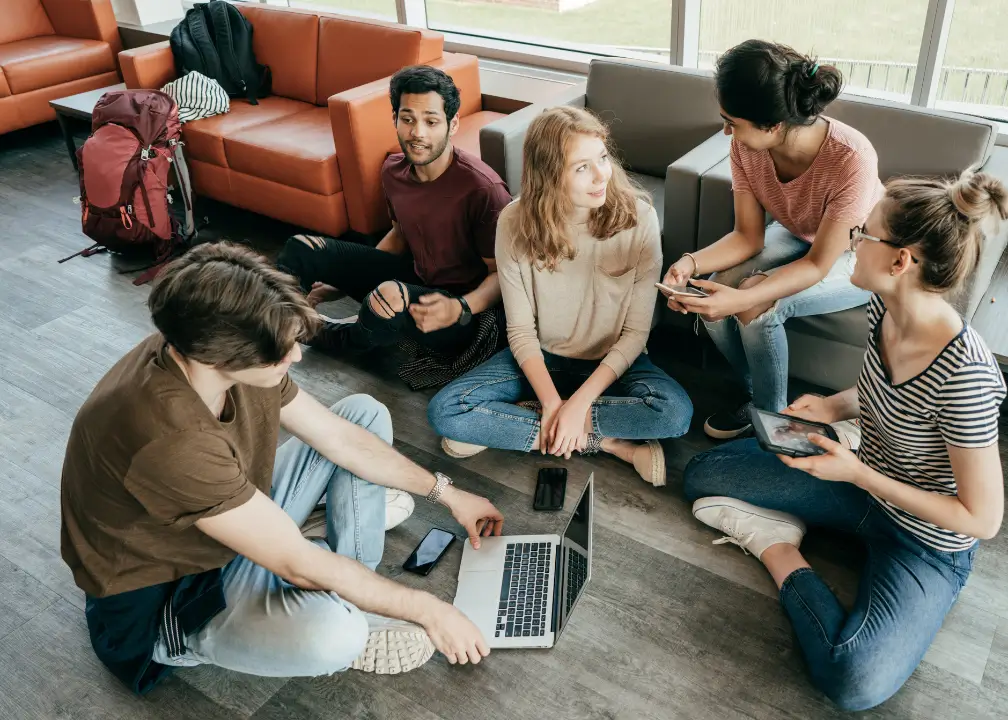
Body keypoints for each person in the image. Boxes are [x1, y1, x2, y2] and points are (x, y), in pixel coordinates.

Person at [61, 243, 506, 695]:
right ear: (223, 357)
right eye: (283, 352)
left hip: (216, 524)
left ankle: (342, 574)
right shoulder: (168, 438)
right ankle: (200, 636)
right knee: (337, 636)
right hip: (172, 596)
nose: (296, 357)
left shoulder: (208, 338)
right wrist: (428, 609)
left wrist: (448, 494)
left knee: (363, 415)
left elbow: (339, 437)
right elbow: (295, 565)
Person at [682, 171, 1008, 711]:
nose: (852, 240)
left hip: (924, 541)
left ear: (900, 261)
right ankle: (797, 518)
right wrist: (834, 406)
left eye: (865, 233)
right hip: (860, 483)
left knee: (853, 679)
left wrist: (857, 473)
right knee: (702, 475)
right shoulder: (885, 305)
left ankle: (778, 548)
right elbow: (878, 385)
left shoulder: (966, 377)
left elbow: (982, 520)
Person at [428, 106, 693, 486]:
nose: (602, 174)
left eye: (602, 157)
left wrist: (580, 402)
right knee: (445, 412)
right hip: (541, 358)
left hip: (612, 362)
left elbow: (635, 335)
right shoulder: (514, 223)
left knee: (674, 415)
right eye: (581, 167)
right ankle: (607, 443)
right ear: (550, 175)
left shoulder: (639, 218)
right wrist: (555, 405)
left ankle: (521, 423)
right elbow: (519, 331)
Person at [661, 39, 884, 439]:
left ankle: (775, 423)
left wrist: (745, 297)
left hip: (859, 251)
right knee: (713, 292)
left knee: (755, 306)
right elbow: (747, 237)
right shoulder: (744, 147)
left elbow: (819, 263)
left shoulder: (851, 158)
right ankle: (755, 395)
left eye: (733, 121)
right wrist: (691, 263)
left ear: (774, 125)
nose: (726, 129)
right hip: (798, 232)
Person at [276, 65, 511, 368]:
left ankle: (324, 334)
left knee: (386, 298)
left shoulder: (483, 189)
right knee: (301, 248)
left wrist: (460, 308)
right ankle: (277, 324)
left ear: (452, 125)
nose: (417, 132)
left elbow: (502, 275)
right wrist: (341, 283)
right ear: (395, 120)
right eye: (408, 119)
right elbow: (400, 237)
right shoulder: (393, 171)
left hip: (461, 311)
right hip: (415, 279)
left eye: (431, 121)